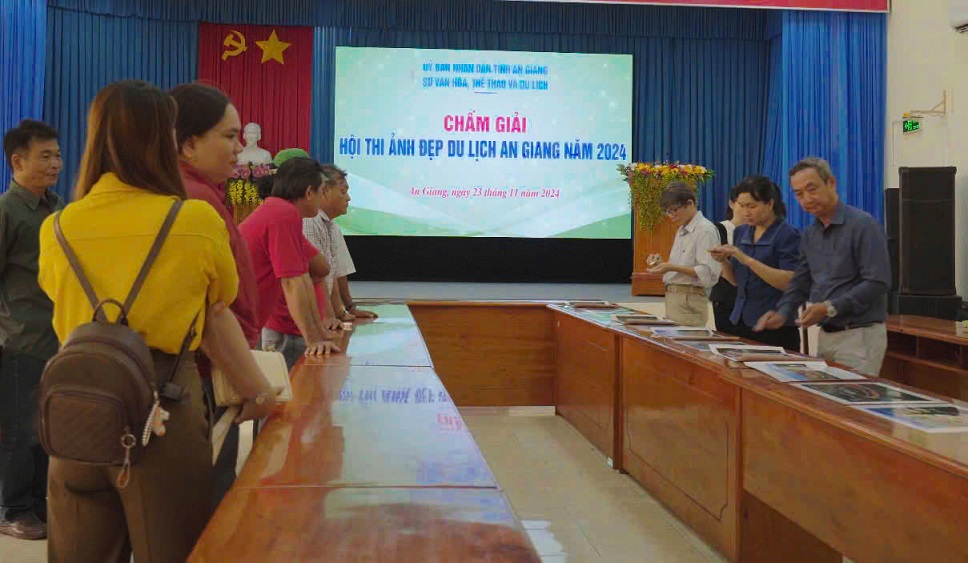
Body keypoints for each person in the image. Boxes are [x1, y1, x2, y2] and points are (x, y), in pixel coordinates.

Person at [38, 80, 277, 562]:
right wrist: (258, 391)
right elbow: (217, 319)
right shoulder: (193, 220)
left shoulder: (58, 225)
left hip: (76, 411)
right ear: (165, 139)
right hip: (164, 408)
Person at [169, 82, 262, 508]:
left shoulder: (199, 193)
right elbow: (211, 312)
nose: (240, 148)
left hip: (205, 371)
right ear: (189, 144)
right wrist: (252, 385)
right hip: (207, 374)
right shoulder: (194, 203)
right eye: (229, 136)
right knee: (210, 502)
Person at [756, 157, 891, 375]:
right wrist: (783, 312)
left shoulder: (863, 225)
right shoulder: (811, 234)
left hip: (860, 335)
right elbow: (801, 281)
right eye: (799, 194)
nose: (807, 199)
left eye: (812, 189)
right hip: (827, 334)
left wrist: (829, 307)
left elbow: (878, 281)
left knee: (849, 396)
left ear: (831, 183)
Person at [0, 119, 64, 540]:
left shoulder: (58, 207)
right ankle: (13, 510)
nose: (55, 163)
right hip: (21, 340)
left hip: (58, 338)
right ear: (17, 162)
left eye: (57, 155)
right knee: (19, 431)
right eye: (45, 156)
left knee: (46, 429)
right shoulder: (7, 211)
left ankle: (39, 505)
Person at [240, 157, 339, 358]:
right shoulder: (283, 214)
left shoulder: (280, 211)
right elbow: (292, 283)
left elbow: (309, 275)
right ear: (309, 192)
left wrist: (319, 332)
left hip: (245, 323)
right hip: (237, 324)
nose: (322, 200)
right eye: (322, 192)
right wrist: (313, 340)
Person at [710, 176, 801, 351]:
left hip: (773, 324)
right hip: (740, 321)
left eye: (752, 206)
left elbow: (789, 282)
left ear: (770, 204)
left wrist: (747, 260)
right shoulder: (741, 232)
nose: (745, 212)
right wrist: (723, 262)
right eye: (742, 206)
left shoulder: (787, 235)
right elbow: (736, 281)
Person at [302, 164, 377, 324]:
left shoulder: (330, 224)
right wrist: (327, 316)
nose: (348, 198)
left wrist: (343, 311)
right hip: (309, 316)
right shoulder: (310, 220)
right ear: (324, 191)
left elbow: (333, 273)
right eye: (343, 191)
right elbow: (315, 275)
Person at [647, 182, 721, 327]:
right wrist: (661, 263)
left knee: (686, 340)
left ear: (690, 203)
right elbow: (683, 265)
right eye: (668, 212)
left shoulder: (705, 230)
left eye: (675, 210)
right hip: (676, 296)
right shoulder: (683, 228)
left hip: (689, 299)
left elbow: (707, 272)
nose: (671, 216)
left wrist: (671, 267)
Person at [710, 187, 742, 335]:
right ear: (731, 203)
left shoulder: (760, 232)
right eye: (742, 204)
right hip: (726, 299)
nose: (747, 210)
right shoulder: (718, 229)